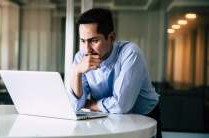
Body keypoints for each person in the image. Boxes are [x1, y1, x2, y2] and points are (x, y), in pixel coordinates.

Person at [67, 8, 162, 138]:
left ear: (111, 37)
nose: (86, 49)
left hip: (143, 117)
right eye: (82, 41)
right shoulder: (80, 58)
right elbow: (75, 105)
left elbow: (121, 105)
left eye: (94, 41)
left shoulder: (130, 53)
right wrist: (77, 72)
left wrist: (89, 104)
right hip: (108, 118)